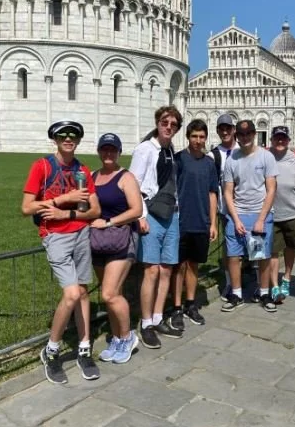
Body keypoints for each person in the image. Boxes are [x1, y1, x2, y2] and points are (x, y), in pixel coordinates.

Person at [22, 120, 101, 384]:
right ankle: (52, 350)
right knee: (70, 294)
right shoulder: (42, 166)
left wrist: (67, 211)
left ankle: (84, 347)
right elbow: (26, 207)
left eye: (73, 136)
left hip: (80, 233)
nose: (68, 139)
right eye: (63, 135)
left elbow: (94, 211)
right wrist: (60, 200)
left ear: (78, 141)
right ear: (55, 139)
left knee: (82, 292)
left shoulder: (83, 169)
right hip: (55, 236)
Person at [129, 105, 183, 349]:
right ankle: (146, 322)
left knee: (167, 269)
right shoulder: (145, 149)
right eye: (164, 122)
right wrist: (140, 215)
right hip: (151, 214)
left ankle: (159, 317)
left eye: (173, 124)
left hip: (171, 214)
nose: (168, 127)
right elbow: (133, 184)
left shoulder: (171, 150)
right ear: (157, 122)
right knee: (151, 271)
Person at [90, 133, 143, 363]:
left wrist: (110, 222)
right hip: (98, 242)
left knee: (108, 293)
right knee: (113, 294)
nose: (108, 154)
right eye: (105, 149)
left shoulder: (126, 177)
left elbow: (136, 210)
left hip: (121, 240)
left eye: (113, 150)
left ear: (119, 152)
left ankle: (128, 336)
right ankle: (117, 338)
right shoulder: (92, 177)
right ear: (99, 151)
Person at [222, 119, 278, 312]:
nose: (245, 137)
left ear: (254, 134)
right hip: (238, 213)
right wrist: (235, 218)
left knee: (261, 255)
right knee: (234, 255)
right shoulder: (232, 159)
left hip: (259, 213)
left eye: (248, 134)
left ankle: (263, 292)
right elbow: (228, 191)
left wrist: (261, 219)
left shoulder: (266, 157)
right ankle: (236, 293)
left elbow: (271, 189)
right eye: (241, 134)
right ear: (237, 136)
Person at [168, 120, 218, 330]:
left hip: (201, 221)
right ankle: (176, 307)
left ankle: (190, 303)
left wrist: (213, 223)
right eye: (194, 136)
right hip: (181, 221)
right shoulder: (179, 159)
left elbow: (212, 193)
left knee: (194, 265)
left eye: (201, 137)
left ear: (205, 138)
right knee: (178, 266)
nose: (198, 141)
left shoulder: (208, 163)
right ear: (188, 137)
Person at [268, 126, 295, 303]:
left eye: (283, 138)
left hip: (293, 213)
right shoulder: (265, 157)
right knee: (273, 251)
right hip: (272, 214)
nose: (280, 141)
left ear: (288, 140)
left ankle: (286, 278)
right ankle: (274, 286)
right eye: (277, 138)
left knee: (290, 248)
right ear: (272, 140)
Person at [207, 113, 238, 301]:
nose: (225, 132)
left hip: (245, 206)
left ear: (233, 129)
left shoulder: (244, 150)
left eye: (228, 128)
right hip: (224, 208)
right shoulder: (213, 155)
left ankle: (257, 282)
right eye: (221, 129)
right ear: (218, 131)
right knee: (228, 247)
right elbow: (211, 185)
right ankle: (229, 282)